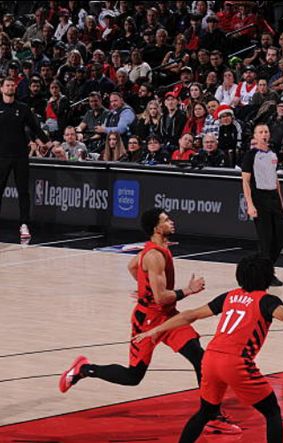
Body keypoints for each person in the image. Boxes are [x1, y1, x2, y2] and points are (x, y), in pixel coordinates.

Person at [59, 208, 240, 435]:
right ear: (156, 228)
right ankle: (84, 369)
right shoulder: (154, 256)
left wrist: (144, 288)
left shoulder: (159, 248)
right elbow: (161, 297)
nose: (171, 222)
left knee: (200, 358)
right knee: (133, 376)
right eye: (166, 220)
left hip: (168, 315)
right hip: (147, 321)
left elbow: (132, 266)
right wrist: (188, 290)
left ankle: (212, 415)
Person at [133, 254, 283, 443]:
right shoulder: (266, 301)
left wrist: (156, 329)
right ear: (267, 277)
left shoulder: (229, 296)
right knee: (272, 411)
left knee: (205, 411)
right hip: (235, 362)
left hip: (210, 359)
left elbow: (189, 315)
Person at [0, 77, 50, 239]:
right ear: (1, 88)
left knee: (23, 191)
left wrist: (48, 143)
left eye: (12, 85)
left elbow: (35, 128)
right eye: (7, 85)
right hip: (2, 156)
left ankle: (24, 224)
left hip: (20, 155)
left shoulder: (23, 108)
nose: (10, 87)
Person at [242, 123, 283, 286]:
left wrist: (281, 202)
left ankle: (264, 266)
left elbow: (275, 179)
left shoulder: (273, 154)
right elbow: (245, 181)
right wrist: (250, 204)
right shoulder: (251, 155)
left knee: (281, 235)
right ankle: (267, 273)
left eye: (266, 131)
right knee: (265, 238)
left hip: (273, 196)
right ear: (255, 136)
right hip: (259, 198)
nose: (264, 134)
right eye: (260, 132)